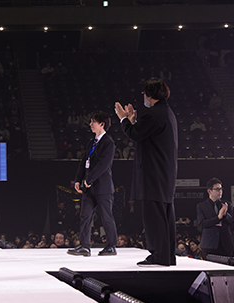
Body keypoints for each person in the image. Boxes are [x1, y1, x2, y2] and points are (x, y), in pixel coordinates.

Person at [115, 77, 178, 267]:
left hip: (153, 173)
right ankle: (167, 255)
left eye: (144, 93)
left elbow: (135, 135)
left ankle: (158, 255)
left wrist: (124, 120)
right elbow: (144, 133)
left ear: (149, 95)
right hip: (165, 173)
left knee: (154, 216)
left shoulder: (152, 114)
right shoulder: (168, 113)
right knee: (165, 215)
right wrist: (134, 122)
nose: (143, 97)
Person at [68, 111, 118, 257]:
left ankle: (111, 246)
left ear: (102, 124)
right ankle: (84, 246)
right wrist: (78, 179)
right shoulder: (91, 143)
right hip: (89, 188)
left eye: (93, 122)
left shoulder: (109, 143)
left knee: (106, 217)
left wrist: (89, 180)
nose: (90, 124)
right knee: (85, 215)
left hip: (103, 187)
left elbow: (103, 165)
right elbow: (84, 163)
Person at [197, 177, 234, 258]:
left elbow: (232, 221)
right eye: (217, 189)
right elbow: (202, 224)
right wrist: (218, 218)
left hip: (225, 243)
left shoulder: (227, 204)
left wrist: (225, 215)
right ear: (209, 191)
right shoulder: (201, 206)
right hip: (209, 244)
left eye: (221, 189)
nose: (220, 191)